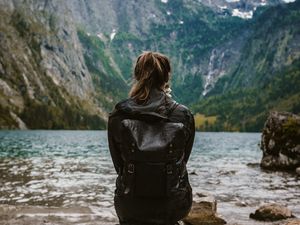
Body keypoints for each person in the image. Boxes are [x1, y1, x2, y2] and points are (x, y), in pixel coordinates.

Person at [108, 51, 195, 225]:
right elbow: (183, 160)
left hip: (130, 205)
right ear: (166, 77)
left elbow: (119, 164)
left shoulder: (119, 115)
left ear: (137, 75)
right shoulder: (183, 115)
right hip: (172, 204)